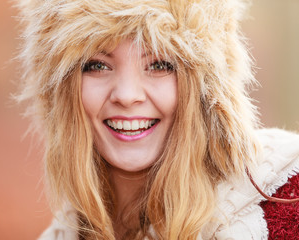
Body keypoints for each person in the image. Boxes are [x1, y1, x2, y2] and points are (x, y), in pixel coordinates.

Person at [16, 0, 299, 239]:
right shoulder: (63, 233)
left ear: (207, 88)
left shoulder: (285, 199)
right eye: (97, 65)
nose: (126, 95)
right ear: (61, 91)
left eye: (160, 64)